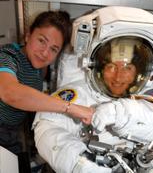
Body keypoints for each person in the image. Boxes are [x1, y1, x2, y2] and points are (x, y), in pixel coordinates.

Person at [33, 35, 153, 173]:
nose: (118, 76)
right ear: (99, 67)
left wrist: (121, 113)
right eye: (111, 66)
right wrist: (84, 164)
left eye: (127, 68)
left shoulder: (151, 96)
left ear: (138, 72)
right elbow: (48, 130)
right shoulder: (76, 93)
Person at [0, 10, 94, 155]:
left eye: (53, 49)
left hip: (14, 127)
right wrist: (71, 108)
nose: (45, 53)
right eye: (41, 41)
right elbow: (10, 93)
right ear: (28, 35)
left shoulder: (40, 66)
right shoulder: (7, 56)